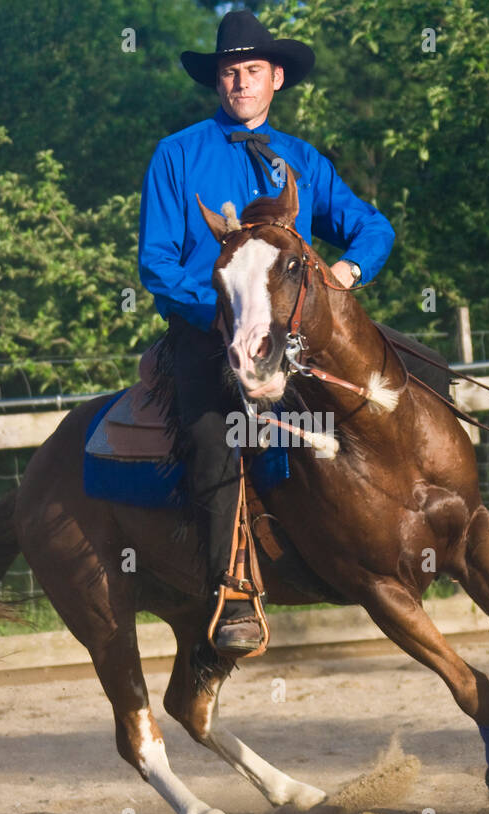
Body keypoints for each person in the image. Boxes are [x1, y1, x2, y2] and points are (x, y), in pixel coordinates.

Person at [138, 10, 448, 656]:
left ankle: (451, 523)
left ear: (275, 77)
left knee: (421, 370)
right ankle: (234, 591)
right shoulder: (177, 156)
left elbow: (373, 228)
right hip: (213, 337)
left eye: (252, 71)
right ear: (216, 81)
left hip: (305, 336)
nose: (240, 83)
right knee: (218, 432)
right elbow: (157, 265)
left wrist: (342, 273)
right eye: (229, 72)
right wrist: (227, 314)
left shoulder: (301, 161)